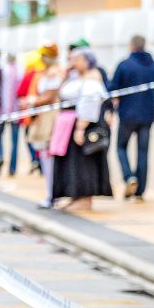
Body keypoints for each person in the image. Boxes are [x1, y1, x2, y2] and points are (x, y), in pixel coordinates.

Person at [51, 48, 112, 211]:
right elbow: (60, 95)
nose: (72, 63)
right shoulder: (74, 78)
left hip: (84, 124)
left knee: (83, 162)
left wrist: (80, 128)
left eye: (76, 60)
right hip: (69, 124)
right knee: (71, 162)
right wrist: (64, 77)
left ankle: (85, 197)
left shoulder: (93, 77)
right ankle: (74, 195)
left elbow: (89, 104)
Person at [109, 35, 154, 201]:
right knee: (143, 152)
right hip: (147, 115)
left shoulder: (125, 65)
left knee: (120, 147)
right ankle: (140, 191)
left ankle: (129, 176)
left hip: (127, 115)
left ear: (131, 46)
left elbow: (113, 88)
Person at [24, 48, 64, 207]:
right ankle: (51, 193)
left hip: (49, 118)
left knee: (49, 156)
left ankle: (52, 194)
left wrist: (33, 101)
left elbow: (49, 97)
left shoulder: (54, 73)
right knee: (45, 156)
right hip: (42, 117)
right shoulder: (45, 73)